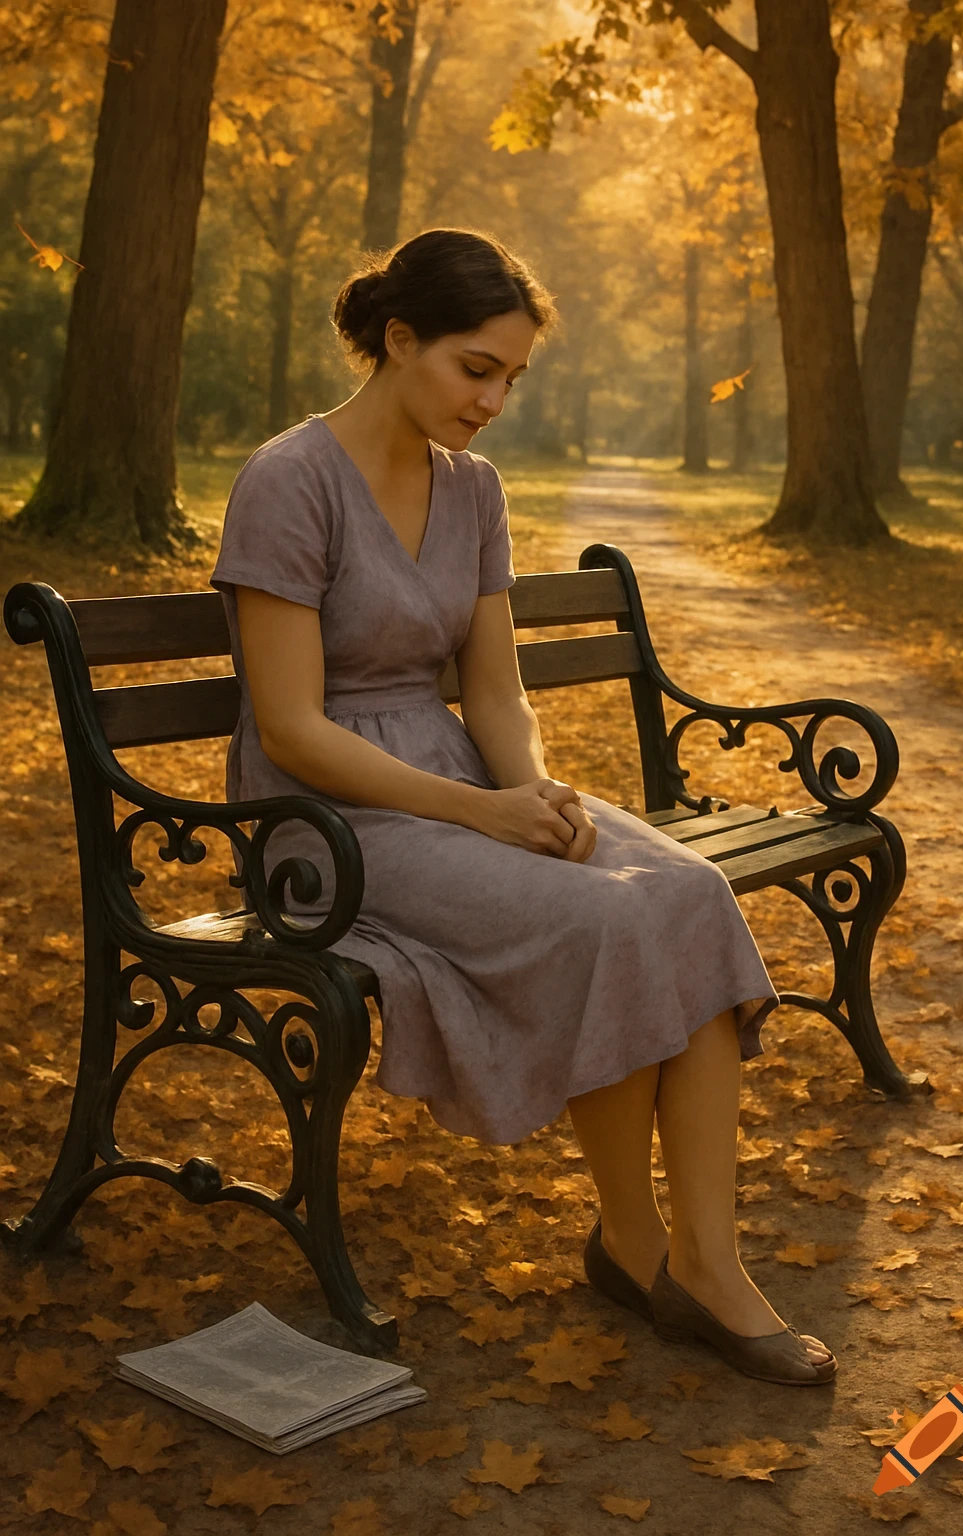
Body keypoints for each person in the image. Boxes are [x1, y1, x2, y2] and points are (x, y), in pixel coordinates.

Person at [211, 226, 837, 1387]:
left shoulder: (476, 488)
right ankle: (637, 1242)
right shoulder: (287, 481)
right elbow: (293, 726)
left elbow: (493, 689)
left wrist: (525, 789)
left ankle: (702, 1258)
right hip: (323, 826)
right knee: (607, 918)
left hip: (455, 784)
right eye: (474, 369)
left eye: (511, 377)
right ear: (399, 342)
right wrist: (477, 816)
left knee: (689, 893)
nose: (493, 400)